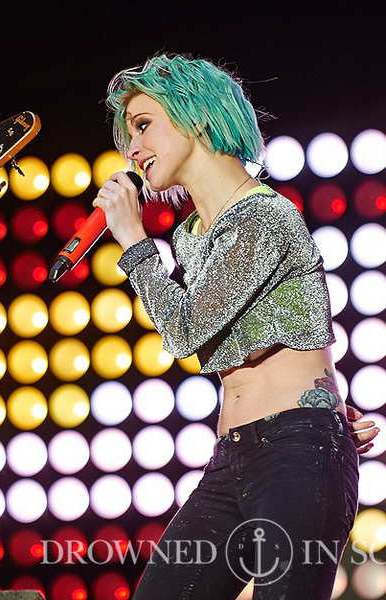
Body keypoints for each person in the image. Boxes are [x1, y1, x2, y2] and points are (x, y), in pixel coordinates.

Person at [93, 54, 379, 599]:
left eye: (144, 125)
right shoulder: (192, 235)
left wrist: (133, 242)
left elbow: (185, 333)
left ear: (197, 117)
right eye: (129, 134)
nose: (132, 150)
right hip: (233, 457)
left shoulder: (262, 216)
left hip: (297, 451)